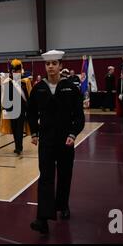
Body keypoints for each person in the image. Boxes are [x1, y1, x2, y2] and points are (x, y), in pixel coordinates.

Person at [27, 50, 85, 236]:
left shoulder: (70, 87)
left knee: (65, 174)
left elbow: (79, 116)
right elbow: (30, 112)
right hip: (46, 141)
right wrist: (34, 133)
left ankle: (63, 205)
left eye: (54, 63)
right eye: (47, 64)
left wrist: (73, 134)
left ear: (60, 65)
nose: (50, 66)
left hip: (66, 140)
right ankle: (42, 219)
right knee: (45, 177)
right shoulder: (39, 88)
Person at [0, 59, 32, 156]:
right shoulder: (8, 82)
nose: (14, 72)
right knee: (14, 129)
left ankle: (19, 147)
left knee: (19, 128)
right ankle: (17, 146)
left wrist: (28, 109)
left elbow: (27, 96)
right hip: (11, 109)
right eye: (13, 70)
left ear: (20, 70)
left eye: (16, 70)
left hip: (21, 109)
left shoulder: (24, 82)